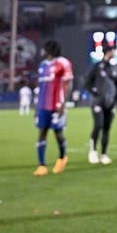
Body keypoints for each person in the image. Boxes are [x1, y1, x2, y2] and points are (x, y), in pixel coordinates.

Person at [34, 40, 73, 176]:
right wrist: (36, 107)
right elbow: (40, 88)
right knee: (41, 133)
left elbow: (68, 84)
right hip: (43, 106)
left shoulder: (63, 63)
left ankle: (62, 158)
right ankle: (42, 165)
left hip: (57, 105)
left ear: (49, 50)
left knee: (58, 134)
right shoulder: (42, 66)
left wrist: (64, 103)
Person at [85, 41, 117, 165]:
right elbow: (87, 82)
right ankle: (92, 152)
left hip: (110, 102)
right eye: (113, 50)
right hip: (98, 102)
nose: (115, 53)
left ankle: (104, 154)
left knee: (107, 128)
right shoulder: (97, 67)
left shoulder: (114, 67)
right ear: (108, 52)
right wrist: (94, 91)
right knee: (98, 125)